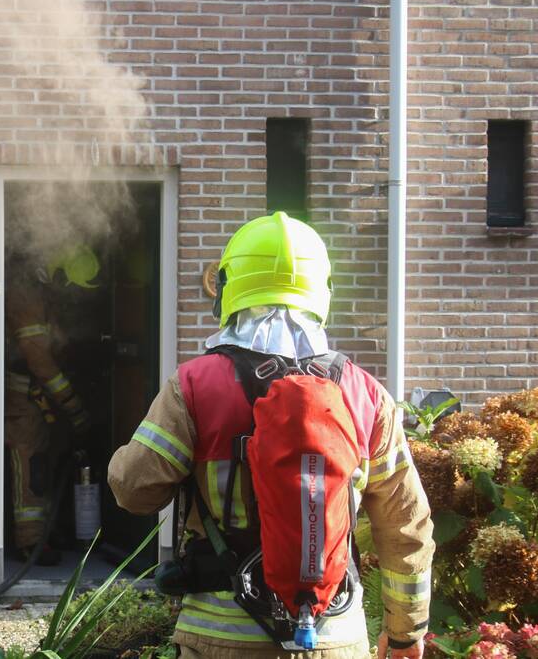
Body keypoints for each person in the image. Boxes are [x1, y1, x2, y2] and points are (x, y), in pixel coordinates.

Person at [108, 212, 434, 659]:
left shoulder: (196, 386)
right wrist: (405, 633)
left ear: (229, 289)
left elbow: (133, 490)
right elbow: (407, 527)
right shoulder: (366, 395)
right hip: (336, 637)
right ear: (323, 292)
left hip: (220, 638)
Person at [5, 243, 96, 563]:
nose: (68, 292)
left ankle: (46, 530)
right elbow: (37, 357)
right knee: (31, 469)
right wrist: (71, 403)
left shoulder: (44, 295)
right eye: (67, 284)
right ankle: (29, 542)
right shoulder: (26, 297)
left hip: (43, 402)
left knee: (50, 464)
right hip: (26, 402)